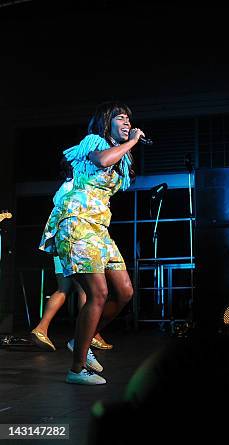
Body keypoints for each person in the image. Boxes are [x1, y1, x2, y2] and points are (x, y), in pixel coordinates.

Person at [38, 101, 142, 385]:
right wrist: (131, 143)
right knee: (98, 293)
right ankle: (77, 368)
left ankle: (81, 337)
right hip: (77, 222)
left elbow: (116, 174)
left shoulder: (122, 156)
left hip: (99, 228)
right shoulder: (94, 141)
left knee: (124, 292)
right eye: (121, 118)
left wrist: (128, 149)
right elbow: (102, 161)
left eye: (129, 121)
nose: (127, 124)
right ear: (106, 122)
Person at [31, 159, 113, 352]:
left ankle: (41, 328)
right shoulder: (76, 187)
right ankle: (90, 335)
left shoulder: (64, 187)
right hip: (72, 242)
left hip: (60, 244)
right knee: (88, 291)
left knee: (64, 289)